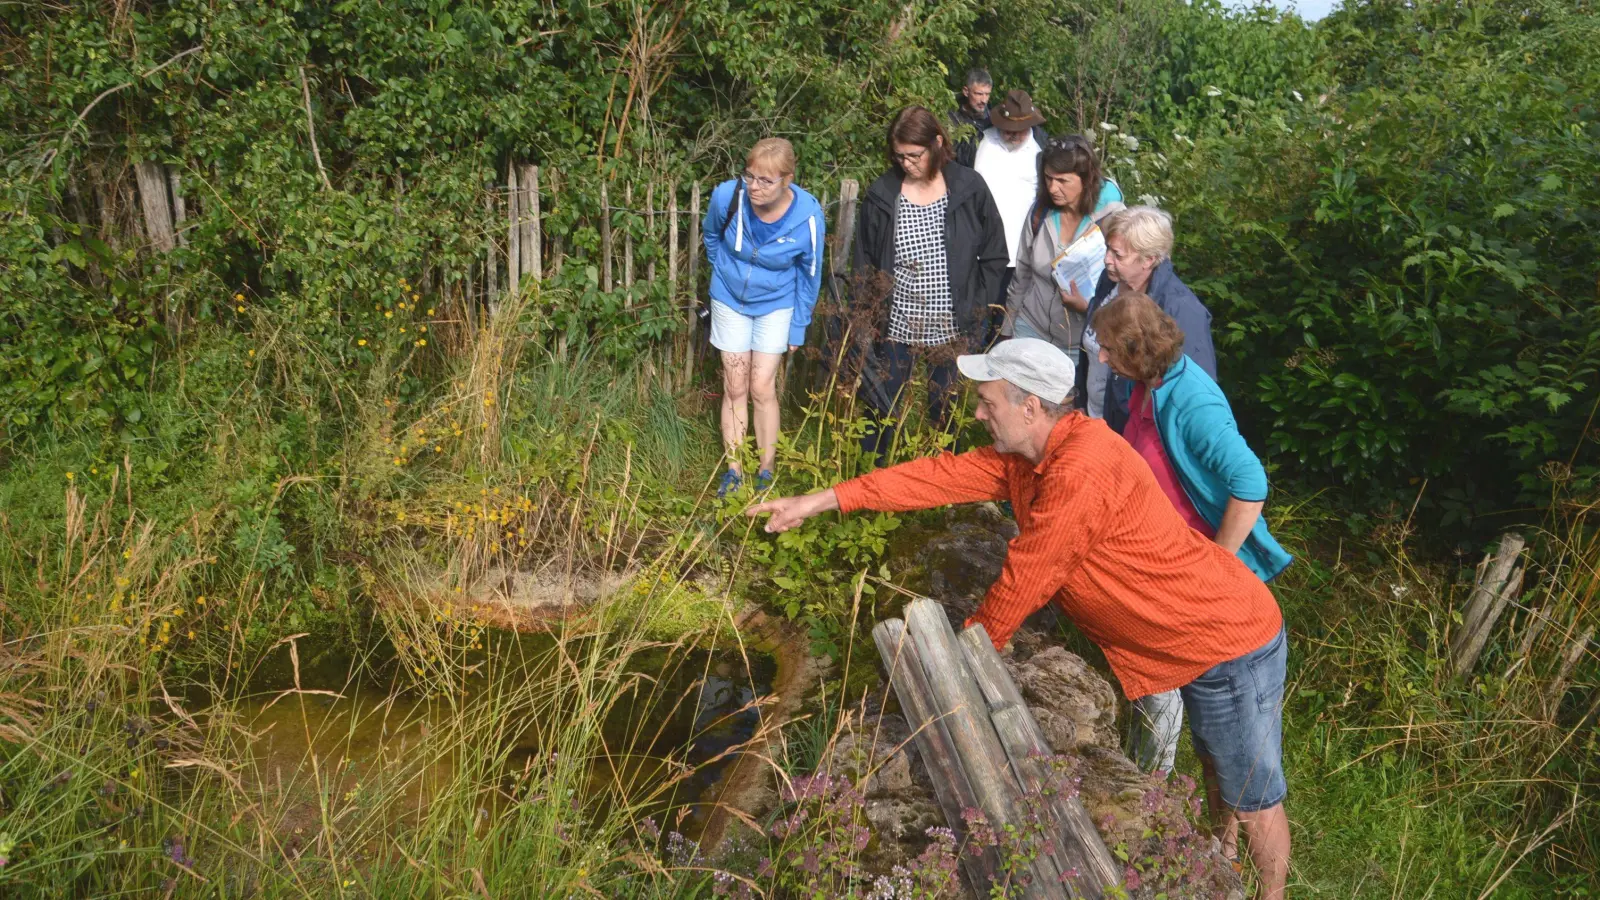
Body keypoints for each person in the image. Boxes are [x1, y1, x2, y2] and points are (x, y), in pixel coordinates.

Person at [747, 338, 1292, 898]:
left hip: (1226, 635)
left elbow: (1026, 577)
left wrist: (954, 664)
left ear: (1030, 407)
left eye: (988, 402)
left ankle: (1272, 892)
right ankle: (1222, 862)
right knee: (1217, 762)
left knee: (1252, 793)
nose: (979, 413)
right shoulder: (1028, 459)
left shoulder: (1082, 469)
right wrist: (821, 499)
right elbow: (934, 478)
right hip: (1189, 636)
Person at [1093, 290, 1293, 791]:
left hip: (1196, 578)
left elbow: (1250, 484)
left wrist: (1217, 563)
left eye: (1107, 348)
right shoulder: (1149, 386)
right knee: (1161, 692)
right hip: (1164, 564)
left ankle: (1146, 794)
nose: (1100, 357)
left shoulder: (1191, 400)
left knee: (1166, 690)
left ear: (1137, 350)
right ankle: (1158, 797)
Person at [851, 106, 1009, 462]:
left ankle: (943, 490)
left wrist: (977, 306)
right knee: (881, 410)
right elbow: (865, 262)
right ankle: (875, 484)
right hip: (895, 326)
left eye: (914, 155)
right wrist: (866, 317)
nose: (906, 163)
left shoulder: (969, 188)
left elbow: (995, 254)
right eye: (900, 156)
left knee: (945, 414)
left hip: (952, 326)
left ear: (937, 143)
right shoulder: (883, 194)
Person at [703, 137, 826, 496]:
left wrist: (799, 325)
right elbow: (712, 235)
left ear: (787, 180)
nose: (754, 187)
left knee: (761, 386)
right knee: (735, 385)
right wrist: (724, 272)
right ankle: (734, 469)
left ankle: (766, 469)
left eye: (765, 181)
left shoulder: (809, 217)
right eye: (750, 176)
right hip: (729, 299)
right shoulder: (727, 197)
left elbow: (810, 273)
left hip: (777, 303)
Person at [1075, 206, 1215, 434]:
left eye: (1118, 255)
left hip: (1134, 437)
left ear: (1148, 259)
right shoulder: (1109, 281)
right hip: (1093, 422)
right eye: (1107, 250)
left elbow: (1196, 395)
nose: (1106, 260)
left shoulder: (1180, 310)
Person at [1001, 135, 1125, 353]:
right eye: (1048, 178)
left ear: (1086, 179)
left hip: (1080, 344)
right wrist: (1007, 328)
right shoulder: (1040, 212)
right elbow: (1022, 273)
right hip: (1029, 327)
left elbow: (1128, 289)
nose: (1052, 188)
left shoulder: (1114, 221)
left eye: (1062, 181)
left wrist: (1087, 310)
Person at [971, 90, 1047, 287]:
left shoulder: (1040, 153)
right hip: (982, 247)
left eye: (1019, 130)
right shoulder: (981, 142)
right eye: (1008, 130)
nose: (1013, 135)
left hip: (1022, 250)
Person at [948, 68, 993, 150]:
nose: (984, 100)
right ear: (966, 91)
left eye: (987, 94)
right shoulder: (951, 117)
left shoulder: (993, 119)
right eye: (979, 94)